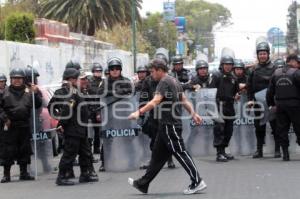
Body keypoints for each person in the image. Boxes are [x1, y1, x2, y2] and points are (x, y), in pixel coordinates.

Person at [128, 58, 207, 195]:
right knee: (157, 156)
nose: (151, 75)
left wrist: (139, 112)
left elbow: (156, 100)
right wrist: (194, 114)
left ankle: (197, 181)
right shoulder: (174, 80)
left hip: (169, 125)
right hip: (165, 125)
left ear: (159, 70)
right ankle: (143, 184)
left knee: (180, 152)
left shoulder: (164, 82)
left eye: (152, 72)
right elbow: (184, 100)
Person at [48, 68, 97, 185]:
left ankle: (85, 174)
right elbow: (67, 111)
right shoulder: (72, 94)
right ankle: (62, 177)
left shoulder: (78, 92)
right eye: (79, 79)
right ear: (72, 80)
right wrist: (61, 124)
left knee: (85, 153)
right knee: (69, 154)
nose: (82, 81)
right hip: (73, 130)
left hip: (81, 130)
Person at [0, 68, 42, 183]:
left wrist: (36, 93)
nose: (17, 80)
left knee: (24, 150)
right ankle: (6, 174)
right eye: (14, 78)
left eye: (19, 78)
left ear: (23, 79)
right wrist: (5, 118)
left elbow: (38, 105)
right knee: (7, 150)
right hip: (9, 125)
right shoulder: (4, 92)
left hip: (24, 125)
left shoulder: (29, 90)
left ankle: (24, 173)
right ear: (11, 79)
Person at [247, 41, 280, 158]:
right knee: (259, 127)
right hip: (258, 103)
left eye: (264, 53)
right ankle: (259, 150)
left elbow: (278, 85)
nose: (262, 55)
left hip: (272, 102)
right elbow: (249, 87)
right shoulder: (253, 70)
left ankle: (277, 150)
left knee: (275, 126)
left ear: (268, 54)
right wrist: (250, 99)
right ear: (257, 55)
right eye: (260, 53)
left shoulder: (275, 68)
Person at [267, 54, 300, 161]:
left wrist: (271, 104)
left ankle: (285, 154)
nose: (298, 64)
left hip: (280, 106)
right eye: (297, 62)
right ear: (292, 61)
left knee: (282, 129)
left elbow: (269, 92)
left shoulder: (276, 73)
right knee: (298, 128)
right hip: (295, 105)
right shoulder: (296, 73)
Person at [212, 56, 239, 162]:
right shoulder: (216, 76)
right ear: (222, 65)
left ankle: (223, 151)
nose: (228, 66)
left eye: (230, 65)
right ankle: (219, 153)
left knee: (229, 130)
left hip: (230, 106)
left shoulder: (234, 78)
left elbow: (236, 92)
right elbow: (210, 92)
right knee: (219, 129)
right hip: (219, 105)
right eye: (226, 64)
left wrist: (236, 96)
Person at [89, 62, 103, 156]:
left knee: (98, 130)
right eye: (96, 71)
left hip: (99, 108)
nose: (98, 73)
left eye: (99, 71)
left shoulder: (103, 82)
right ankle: (88, 148)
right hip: (90, 109)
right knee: (89, 131)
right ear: (93, 72)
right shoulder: (89, 83)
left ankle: (97, 148)